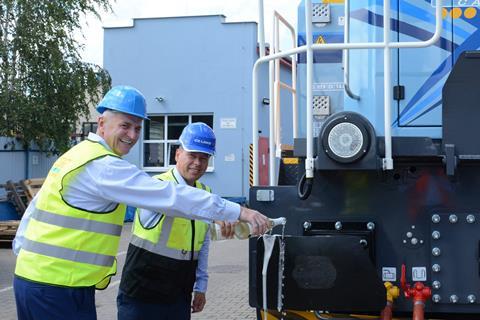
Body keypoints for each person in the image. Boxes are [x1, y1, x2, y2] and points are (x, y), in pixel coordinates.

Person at [12, 85, 269, 320]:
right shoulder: (103, 166)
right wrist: (240, 210)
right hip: (61, 286)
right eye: (125, 125)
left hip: (38, 279)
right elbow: (173, 197)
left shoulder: (76, 156)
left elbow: (34, 211)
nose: (132, 135)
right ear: (101, 123)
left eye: (137, 128)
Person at [117, 122, 230, 320]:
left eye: (203, 158)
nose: (197, 163)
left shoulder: (205, 194)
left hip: (178, 296)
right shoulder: (157, 187)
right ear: (178, 154)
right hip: (142, 295)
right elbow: (180, 200)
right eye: (192, 155)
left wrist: (201, 286)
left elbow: (202, 245)